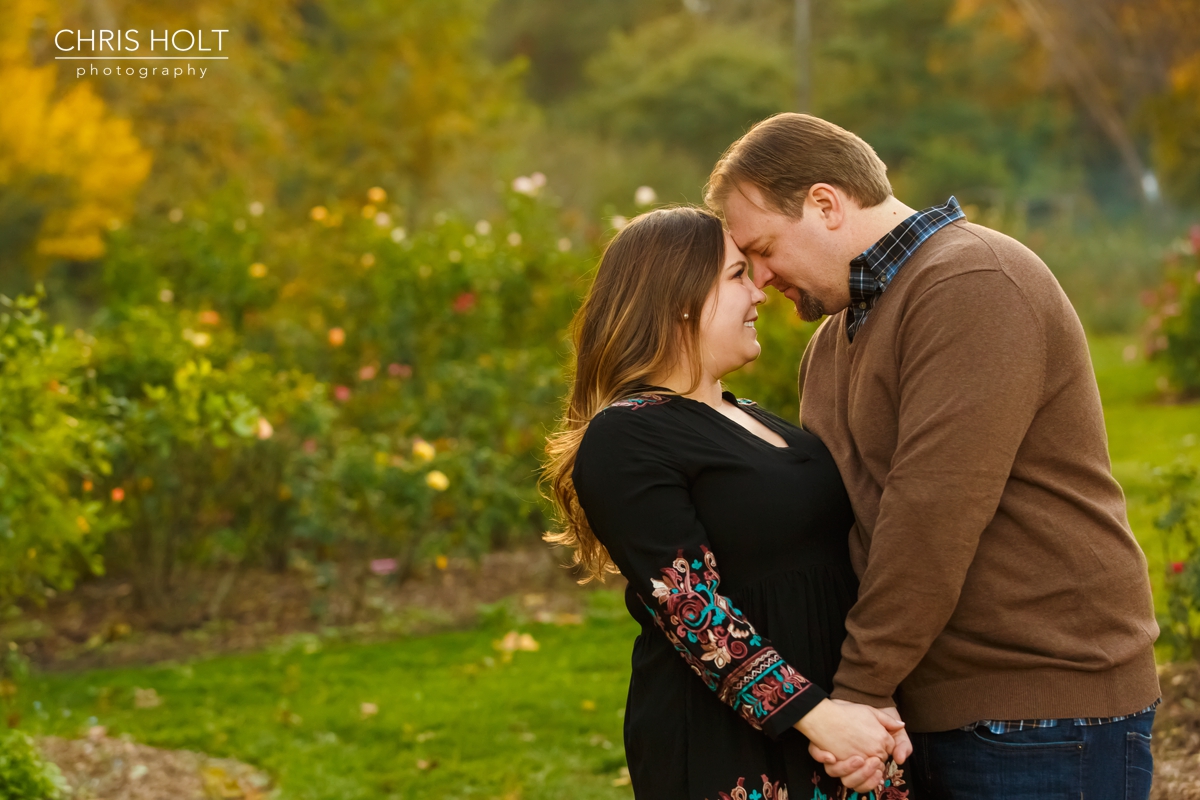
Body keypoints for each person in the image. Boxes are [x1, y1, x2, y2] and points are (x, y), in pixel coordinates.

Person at [705, 112, 1162, 797]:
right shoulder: (832, 345)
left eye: (764, 248)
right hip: (930, 709)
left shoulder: (972, 281)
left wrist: (860, 690)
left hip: (1041, 714)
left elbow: (933, 513)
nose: (760, 278)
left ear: (826, 204)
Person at [542, 206, 910, 799]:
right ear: (681, 297)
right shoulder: (629, 433)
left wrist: (869, 704)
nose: (759, 290)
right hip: (734, 740)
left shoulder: (754, 417)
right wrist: (822, 718)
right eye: (738, 274)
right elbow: (690, 607)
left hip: (846, 731)